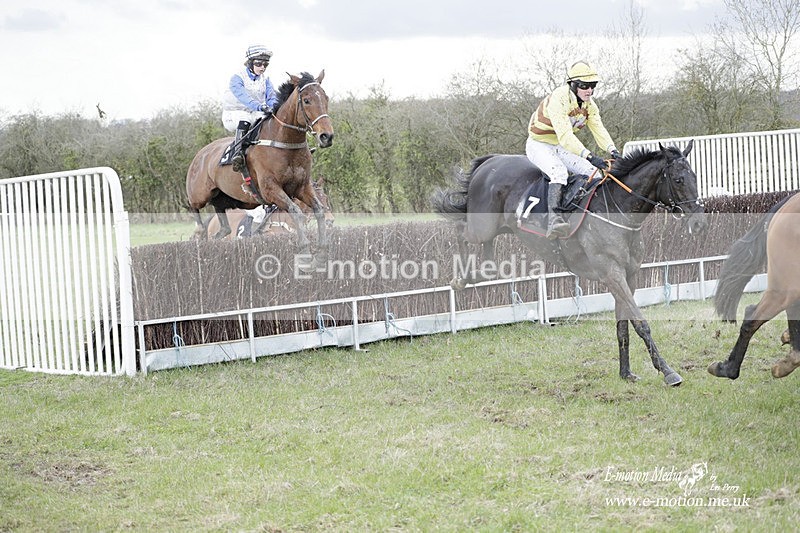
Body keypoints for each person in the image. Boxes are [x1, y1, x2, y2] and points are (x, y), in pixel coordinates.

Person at [526, 60, 621, 239]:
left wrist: (613, 150)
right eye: (585, 86)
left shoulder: (590, 106)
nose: (590, 91)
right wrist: (590, 155)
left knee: (594, 173)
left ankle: (591, 216)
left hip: (559, 146)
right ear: (573, 84)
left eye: (593, 86)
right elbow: (566, 137)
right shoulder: (558, 98)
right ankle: (554, 220)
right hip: (539, 144)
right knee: (559, 172)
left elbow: (599, 129)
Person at [221, 44, 280, 171]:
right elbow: (243, 96)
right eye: (259, 64)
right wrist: (259, 106)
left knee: (268, 121)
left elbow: (272, 96)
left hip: (255, 111)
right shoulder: (237, 78)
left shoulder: (266, 79)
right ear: (250, 63)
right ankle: (237, 154)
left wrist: (272, 107)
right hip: (234, 112)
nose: (262, 67)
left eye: (265, 64)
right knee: (245, 120)